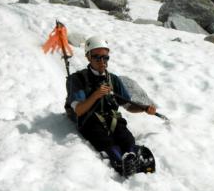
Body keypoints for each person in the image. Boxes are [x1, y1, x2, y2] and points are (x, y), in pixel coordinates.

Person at [65, 35, 157, 175]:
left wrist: (144, 109)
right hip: (89, 120)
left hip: (112, 118)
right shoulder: (77, 79)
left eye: (105, 57)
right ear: (88, 57)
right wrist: (96, 95)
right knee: (104, 141)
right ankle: (119, 161)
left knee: (126, 138)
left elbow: (128, 105)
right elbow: (79, 110)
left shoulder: (113, 79)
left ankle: (130, 156)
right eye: (97, 57)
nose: (102, 61)